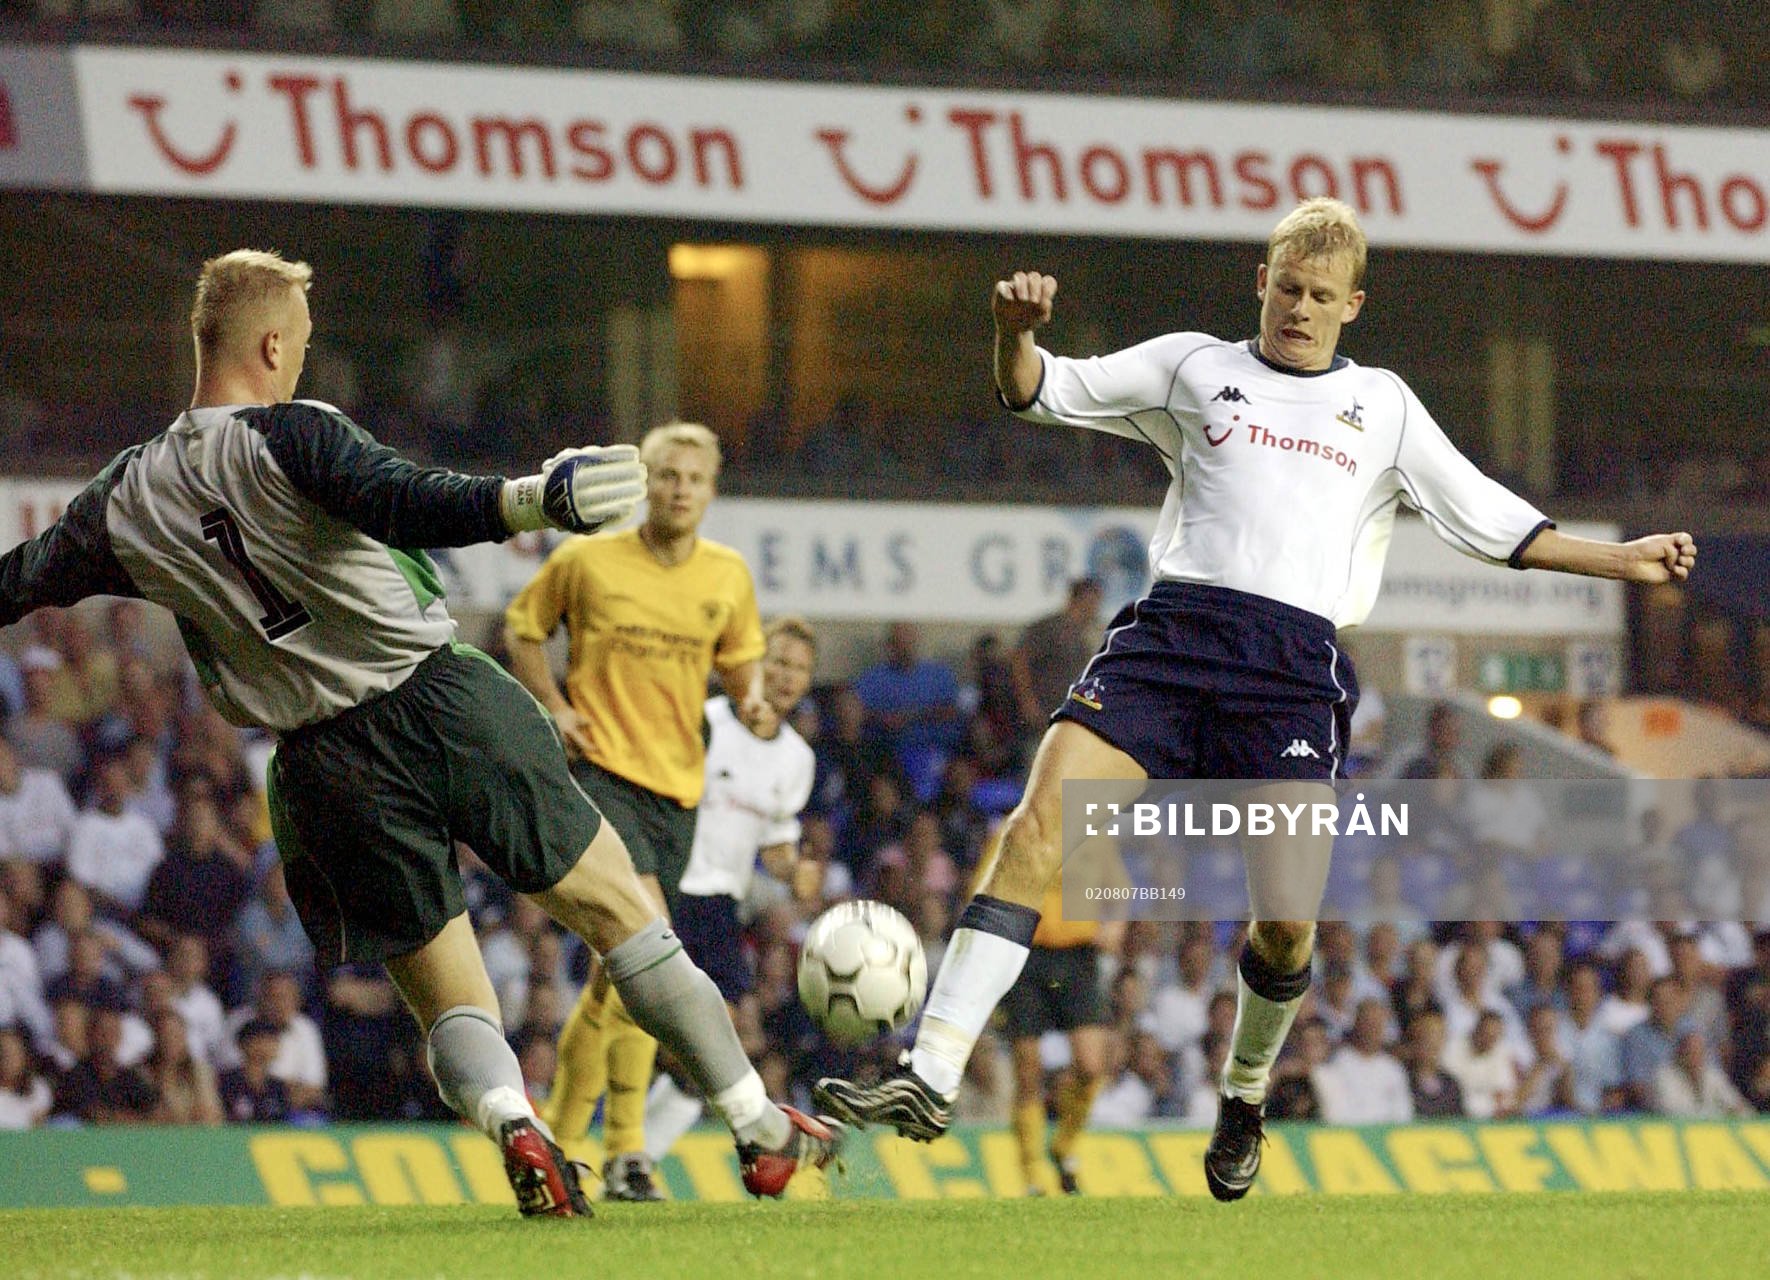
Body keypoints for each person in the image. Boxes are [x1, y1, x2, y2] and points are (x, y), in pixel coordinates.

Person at [813, 197, 1697, 1205]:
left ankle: (1243, 1093)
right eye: (1287, 287)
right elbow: (1040, 392)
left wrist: (1617, 558)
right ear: (1261, 282)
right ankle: (929, 1071)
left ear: (1352, 304)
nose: (1301, 308)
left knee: (1286, 929)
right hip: (1172, 637)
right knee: (1033, 825)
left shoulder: (1386, 408)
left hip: (1287, 668)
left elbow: (1487, 516)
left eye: (1323, 295)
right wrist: (1014, 333)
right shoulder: (1193, 365)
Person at [0, 250, 837, 1216]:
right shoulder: (294, 434)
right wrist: (538, 496)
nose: (303, 361)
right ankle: (761, 1129)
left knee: (450, 996)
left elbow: (18, 579)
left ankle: (515, 1126)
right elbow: (405, 497)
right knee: (626, 922)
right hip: (439, 701)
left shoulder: (122, 499)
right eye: (303, 344)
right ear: (274, 345)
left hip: (317, 765)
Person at [504, 419, 772, 1202]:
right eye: (667, 476)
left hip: (678, 793)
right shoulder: (587, 560)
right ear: (645, 483)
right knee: (642, 951)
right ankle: (613, 1149)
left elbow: (742, 665)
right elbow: (523, 629)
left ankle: (575, 1141)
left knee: (616, 978)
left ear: (711, 491)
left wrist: (753, 703)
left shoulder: (727, 577)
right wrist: (552, 704)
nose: (680, 489)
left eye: (694, 478)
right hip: (601, 778)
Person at [643, 616, 823, 1165]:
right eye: (779, 661)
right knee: (688, 1038)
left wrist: (796, 871)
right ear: (753, 662)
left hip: (720, 903)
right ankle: (635, 1150)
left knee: (725, 1042)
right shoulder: (708, 722)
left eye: (800, 668)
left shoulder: (797, 759)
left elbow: (774, 846)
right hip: (665, 887)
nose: (787, 676)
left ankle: (637, 1157)